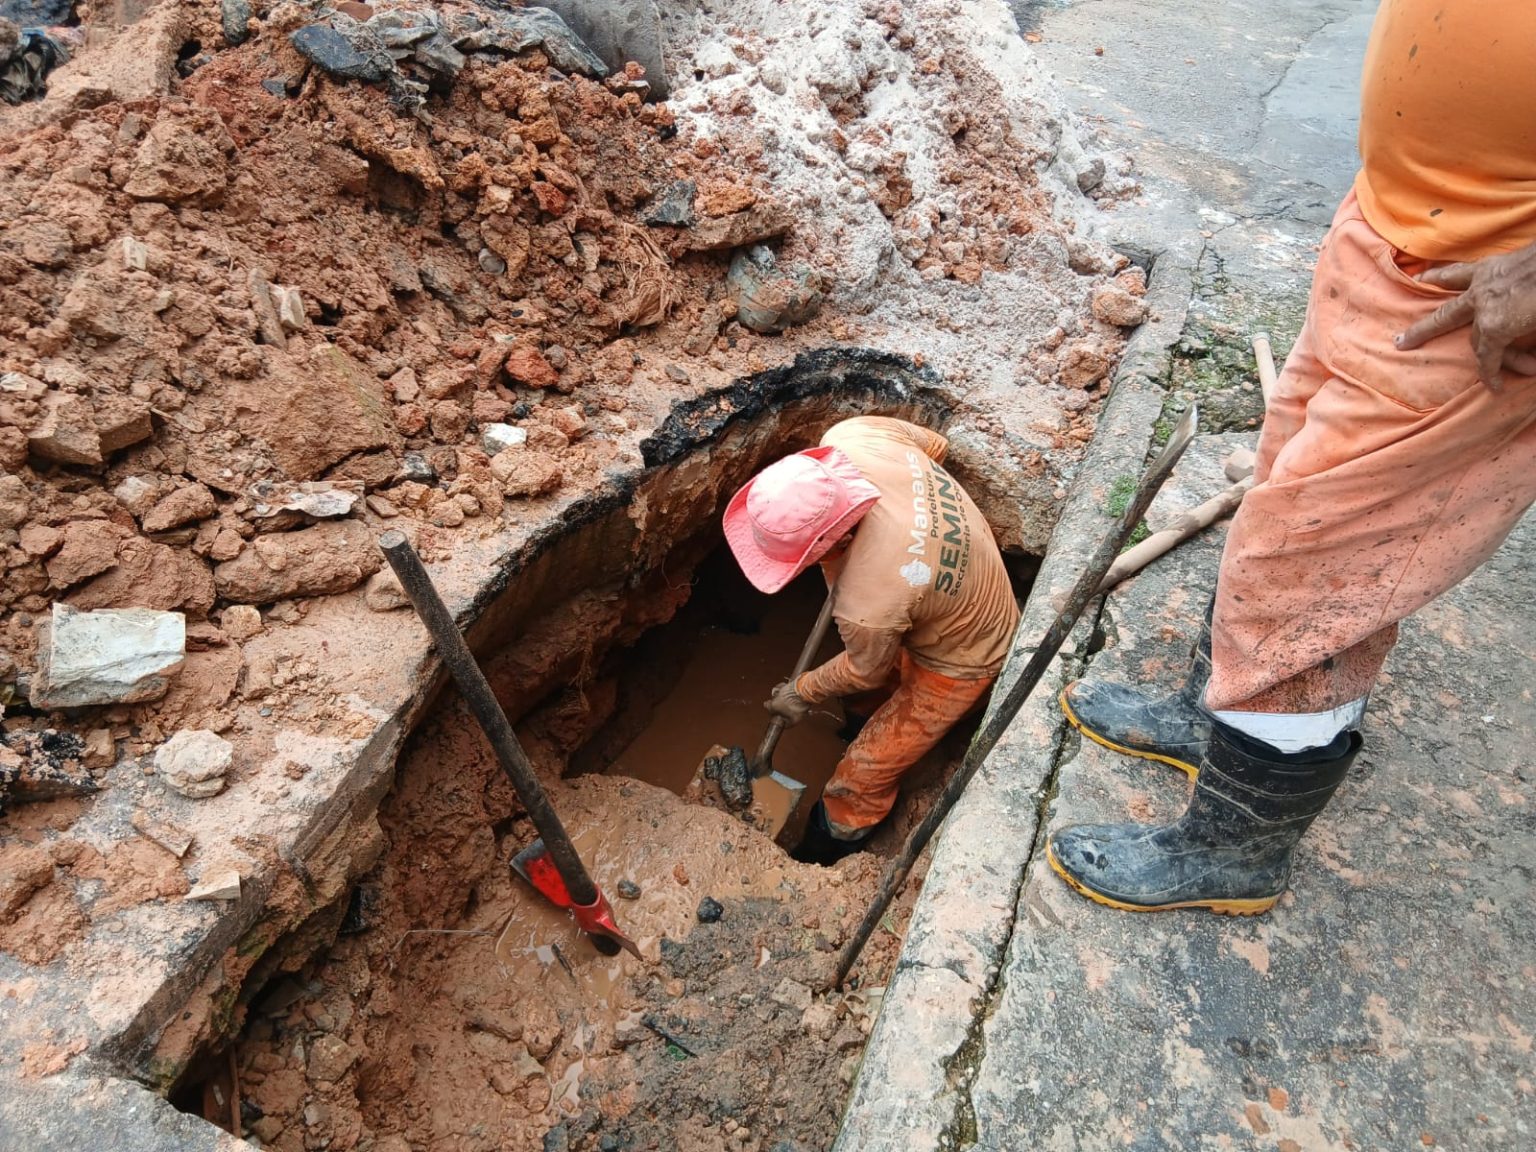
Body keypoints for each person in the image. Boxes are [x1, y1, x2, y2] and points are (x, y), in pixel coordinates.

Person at [1047, 0, 1536, 914]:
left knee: (1311, 583)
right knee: (1278, 495)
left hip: (1483, 308)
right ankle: (1213, 716)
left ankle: (1236, 851)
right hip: (1397, 235)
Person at [723, 416, 1020, 864]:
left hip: (968, 655)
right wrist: (912, 530)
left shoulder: (868, 601)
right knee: (867, 685)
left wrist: (802, 692)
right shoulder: (856, 438)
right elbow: (935, 448)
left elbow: (865, 670)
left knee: (861, 775)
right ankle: (858, 724)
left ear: (840, 537)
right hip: (937, 598)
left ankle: (828, 849)